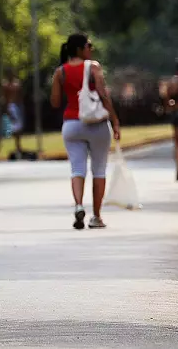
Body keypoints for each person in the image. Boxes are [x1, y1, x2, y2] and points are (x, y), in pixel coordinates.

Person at [50, 33, 120, 230]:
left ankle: (79, 205)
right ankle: (96, 216)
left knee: (77, 169)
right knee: (98, 169)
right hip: (97, 124)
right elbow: (103, 94)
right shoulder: (93, 67)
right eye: (89, 45)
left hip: (72, 124)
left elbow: (55, 102)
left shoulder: (60, 72)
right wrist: (115, 120)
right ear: (80, 49)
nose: (92, 49)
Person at [1, 69, 25, 156]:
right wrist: (7, 109)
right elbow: (4, 97)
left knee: (19, 127)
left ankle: (19, 146)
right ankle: (17, 146)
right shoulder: (5, 84)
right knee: (14, 127)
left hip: (18, 106)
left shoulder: (17, 83)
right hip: (11, 106)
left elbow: (20, 95)